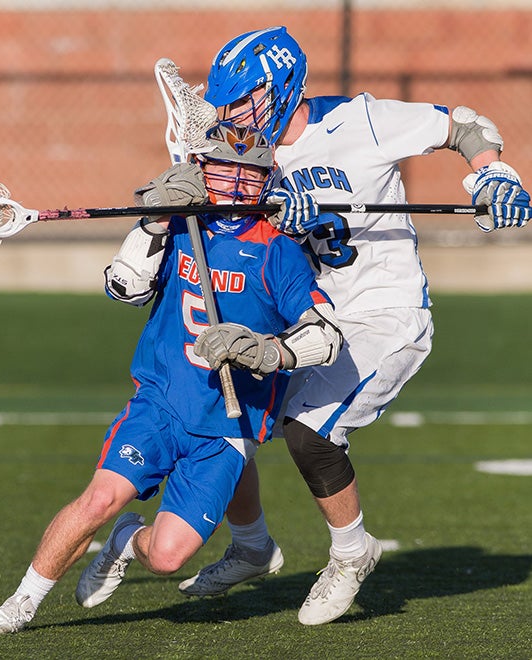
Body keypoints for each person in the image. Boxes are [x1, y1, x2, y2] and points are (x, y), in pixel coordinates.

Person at [178, 26, 532, 626]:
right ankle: (252, 545)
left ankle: (351, 554)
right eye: (227, 105)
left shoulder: (361, 120)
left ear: (281, 85)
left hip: (382, 313)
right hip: (305, 312)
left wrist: (492, 174)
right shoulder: (249, 155)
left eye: (243, 101)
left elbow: (464, 124)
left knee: (310, 431)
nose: (233, 116)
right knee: (224, 408)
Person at [0, 121, 344, 636]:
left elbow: (325, 336)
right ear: (200, 169)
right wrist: (152, 221)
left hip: (228, 426)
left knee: (168, 557)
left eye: (250, 172)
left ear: (268, 178)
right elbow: (123, 289)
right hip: (162, 400)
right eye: (224, 168)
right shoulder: (176, 224)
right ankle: (22, 602)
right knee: (100, 499)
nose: (236, 182)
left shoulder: (277, 248)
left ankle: (127, 540)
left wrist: (266, 350)